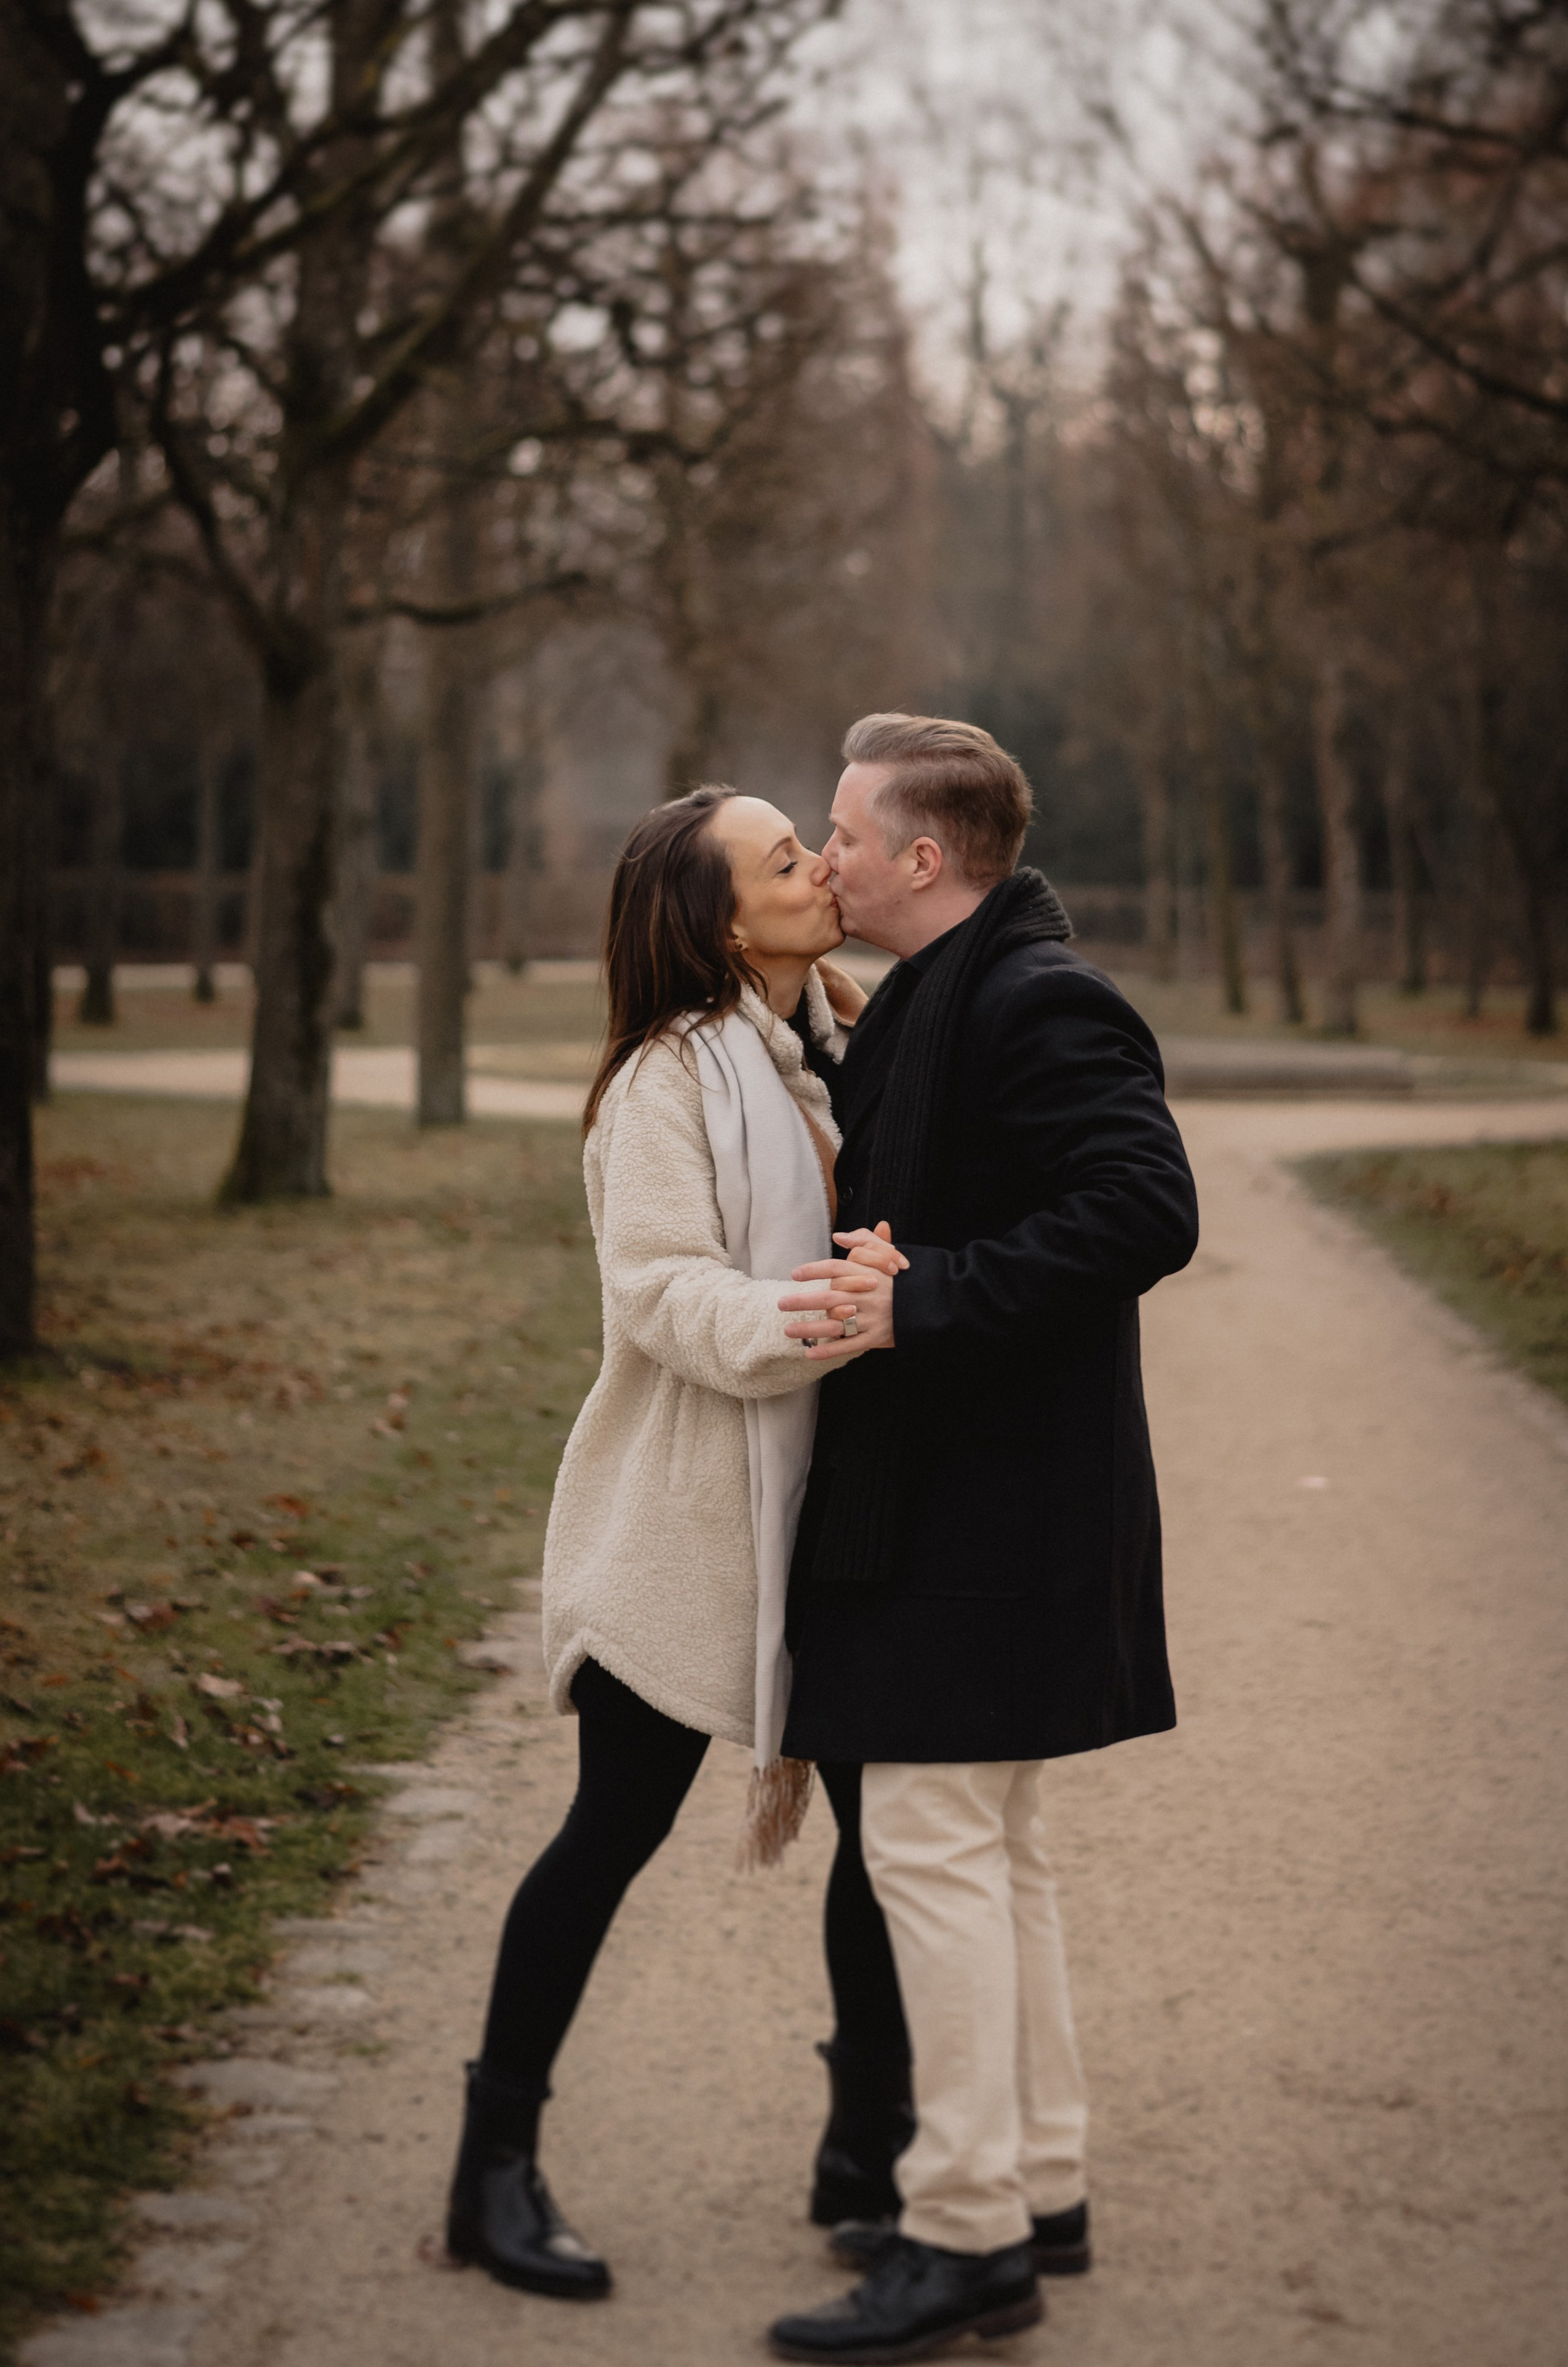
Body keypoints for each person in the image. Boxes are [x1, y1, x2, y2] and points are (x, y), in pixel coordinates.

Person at [765, 714, 1200, 2365]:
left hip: (989, 1511)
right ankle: (1038, 2181)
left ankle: (964, 2240)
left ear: (926, 858)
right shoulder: (951, 995)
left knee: (937, 1856)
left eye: (847, 833)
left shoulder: (1036, 999)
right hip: (975, 1500)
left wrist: (921, 1297)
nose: (827, 858)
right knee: (989, 1855)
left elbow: (1146, 1209)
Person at [444, 783, 899, 2299]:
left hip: (836, 1510)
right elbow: (658, 1290)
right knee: (608, 1835)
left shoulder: (836, 1045)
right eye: (787, 857)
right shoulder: (667, 1080)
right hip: (689, 1522)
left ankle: (866, 2156)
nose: (819, 866)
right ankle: (491, 2167)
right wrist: (824, 1313)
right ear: (719, 921)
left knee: (882, 1837)